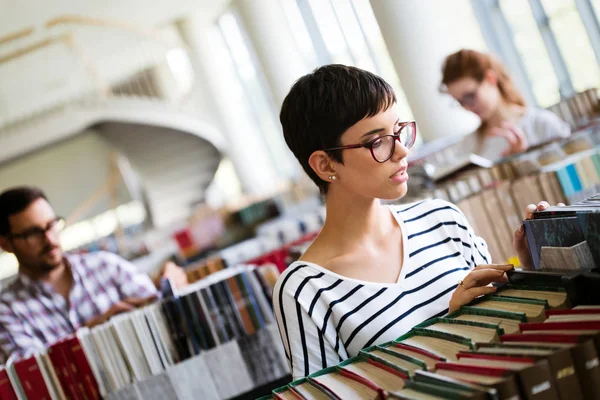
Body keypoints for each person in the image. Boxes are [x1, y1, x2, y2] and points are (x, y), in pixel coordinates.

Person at [274, 64, 549, 379]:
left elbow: (508, 338)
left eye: (398, 131)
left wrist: (531, 271)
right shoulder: (306, 289)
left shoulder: (442, 220)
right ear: (325, 165)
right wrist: (450, 333)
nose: (402, 150)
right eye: (377, 141)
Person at [0, 186, 187, 363]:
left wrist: (169, 288)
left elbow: (164, 319)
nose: (49, 239)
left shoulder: (107, 266)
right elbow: (31, 372)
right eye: (33, 233)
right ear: (6, 244)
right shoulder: (6, 310)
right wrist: (94, 333)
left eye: (51, 225)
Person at [441, 49, 570, 159]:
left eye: (469, 96)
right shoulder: (469, 145)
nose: (467, 107)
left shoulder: (541, 124)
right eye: (460, 102)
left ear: (490, 79)